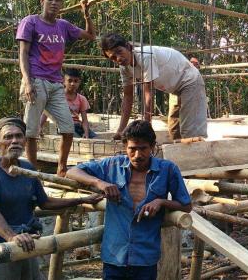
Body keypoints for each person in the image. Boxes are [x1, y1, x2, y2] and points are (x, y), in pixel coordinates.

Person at [0, 117, 102, 280]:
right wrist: (12, 237)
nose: (14, 141)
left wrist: (81, 200)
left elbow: (45, 201)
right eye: (8, 137)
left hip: (27, 240)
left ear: (25, 141)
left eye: (19, 136)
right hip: (1, 243)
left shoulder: (27, 168)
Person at [66, 120, 192, 280]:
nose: (138, 155)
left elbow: (186, 206)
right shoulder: (112, 166)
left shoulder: (167, 169)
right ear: (125, 147)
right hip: (114, 256)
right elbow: (72, 171)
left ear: (152, 146)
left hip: (145, 257)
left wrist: (161, 202)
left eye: (143, 149)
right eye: (132, 149)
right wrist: (100, 183)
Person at [17, 0, 96, 176]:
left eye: (58, 0)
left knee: (68, 128)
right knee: (31, 131)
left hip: (55, 83)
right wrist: (27, 82)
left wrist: (86, 13)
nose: (54, 3)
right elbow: (23, 54)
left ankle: (61, 168)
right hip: (36, 80)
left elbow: (91, 36)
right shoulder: (30, 22)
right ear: (42, 0)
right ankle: (32, 171)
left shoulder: (63, 26)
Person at [99, 33, 208, 141]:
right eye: (113, 57)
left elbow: (148, 94)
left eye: (119, 52)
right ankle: (179, 157)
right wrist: (120, 130)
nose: (118, 58)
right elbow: (128, 97)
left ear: (128, 46)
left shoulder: (145, 56)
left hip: (189, 80)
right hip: (175, 88)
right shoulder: (124, 68)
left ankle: (197, 156)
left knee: (190, 131)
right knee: (175, 129)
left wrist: (146, 128)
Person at [39, 68, 97, 139]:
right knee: (72, 139)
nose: (72, 84)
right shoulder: (57, 96)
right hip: (63, 126)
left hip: (78, 126)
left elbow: (84, 120)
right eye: (70, 81)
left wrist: (86, 133)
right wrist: (39, 127)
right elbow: (46, 113)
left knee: (96, 140)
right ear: (63, 81)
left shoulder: (82, 99)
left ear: (79, 82)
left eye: (76, 81)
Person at [167, 57, 201, 140]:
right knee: (175, 116)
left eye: (197, 66)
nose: (197, 67)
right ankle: (176, 140)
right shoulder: (181, 71)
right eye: (195, 65)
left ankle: (187, 138)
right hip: (177, 93)